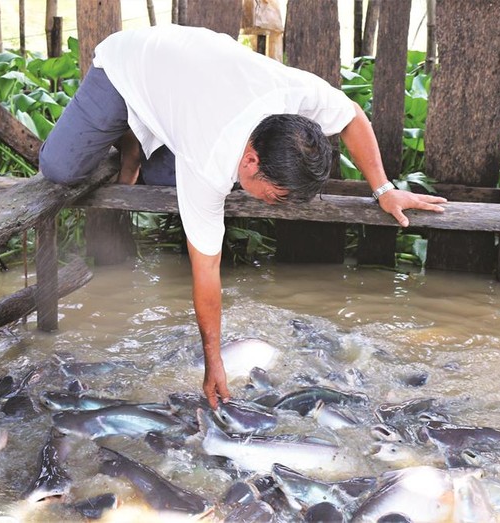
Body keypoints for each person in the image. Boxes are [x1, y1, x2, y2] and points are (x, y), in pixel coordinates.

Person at [39, 24, 447, 408]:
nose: (276, 205)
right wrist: (213, 362)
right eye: (275, 196)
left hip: (196, 85)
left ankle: (138, 145)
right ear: (251, 159)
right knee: (61, 169)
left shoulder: (298, 97)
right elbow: (207, 269)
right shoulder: (209, 160)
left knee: (163, 177)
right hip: (131, 66)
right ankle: (127, 129)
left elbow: (353, 117)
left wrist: (384, 189)